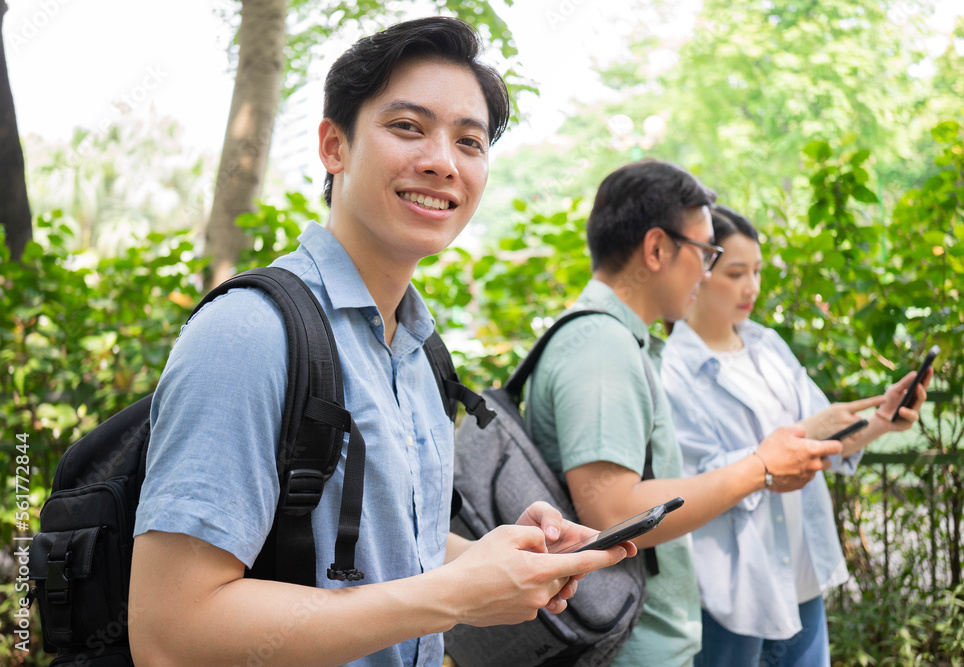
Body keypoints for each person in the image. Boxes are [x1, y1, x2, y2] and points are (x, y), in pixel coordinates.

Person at [128, 17, 633, 667]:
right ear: (334, 146)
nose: (442, 161)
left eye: (469, 141)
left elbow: (390, 554)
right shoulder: (250, 334)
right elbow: (171, 632)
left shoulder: (418, 351)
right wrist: (449, 596)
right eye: (407, 127)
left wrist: (491, 559)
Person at [524, 160, 845, 667]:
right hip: (630, 646)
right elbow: (612, 511)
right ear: (656, 249)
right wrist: (759, 468)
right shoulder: (602, 347)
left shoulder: (616, 340)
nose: (708, 269)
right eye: (706, 252)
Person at [661, 205, 930, 666]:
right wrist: (790, 444)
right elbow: (695, 477)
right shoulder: (672, 370)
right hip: (735, 588)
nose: (752, 287)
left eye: (758, 271)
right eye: (736, 273)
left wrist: (883, 420)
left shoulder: (767, 345)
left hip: (801, 574)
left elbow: (823, 436)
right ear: (700, 271)